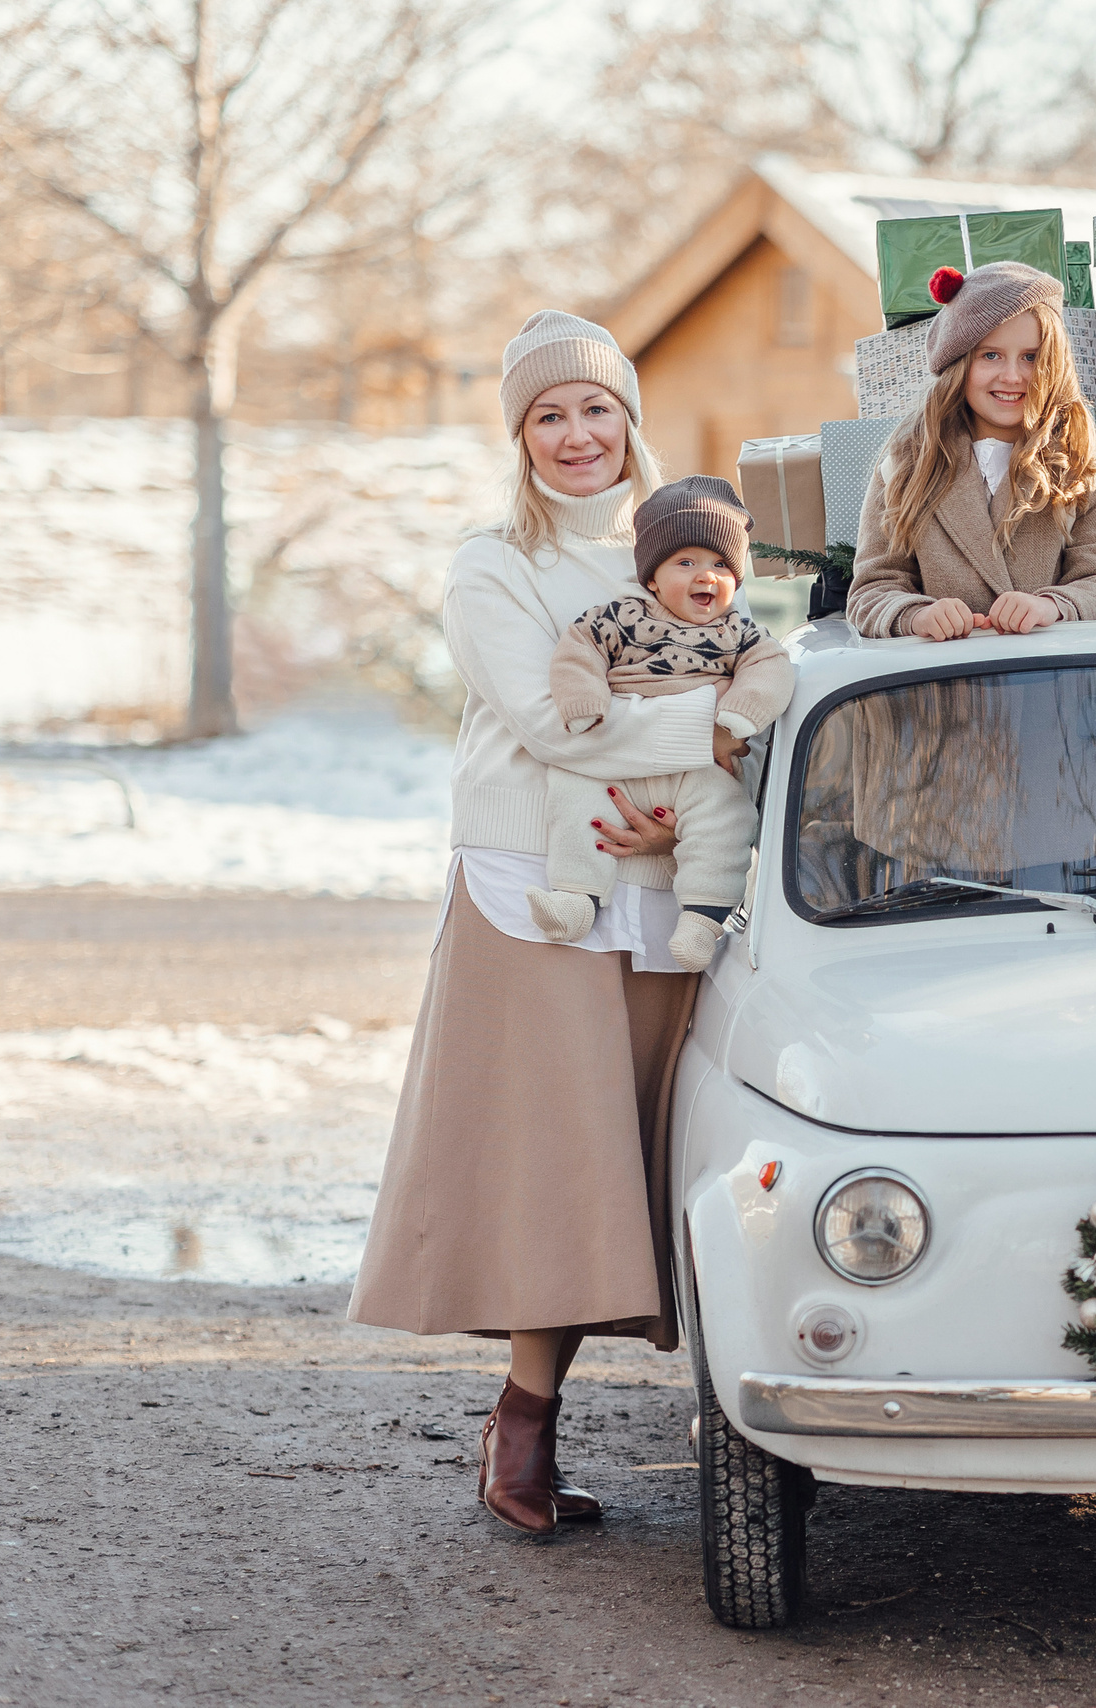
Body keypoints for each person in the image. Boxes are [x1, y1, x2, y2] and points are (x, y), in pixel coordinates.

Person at [349, 309, 719, 1536]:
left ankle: (747, 1404)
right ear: (520, 436)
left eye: (595, 409)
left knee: (666, 1147)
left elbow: (745, 697)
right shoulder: (489, 565)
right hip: (532, 886)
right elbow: (556, 721)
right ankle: (522, 1416)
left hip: (661, 877)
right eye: (548, 415)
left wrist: (691, 816)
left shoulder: (683, 549)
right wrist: (692, 750)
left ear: (630, 419)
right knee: (556, 1161)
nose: (575, 435)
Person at [534, 475, 794, 971]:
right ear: (652, 576)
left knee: (725, 817)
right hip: (618, 754)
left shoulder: (738, 631)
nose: (706, 575)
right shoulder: (619, 617)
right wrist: (585, 699)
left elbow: (772, 667)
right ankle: (575, 896)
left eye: (721, 565)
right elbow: (578, 650)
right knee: (572, 797)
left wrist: (739, 715)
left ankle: (702, 918)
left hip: (699, 767)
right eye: (687, 562)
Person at [844, 262, 1096, 639]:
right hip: (943, 686)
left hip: (1053, 681)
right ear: (958, 363)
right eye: (990, 356)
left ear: (1053, 365)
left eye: (1030, 357)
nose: (1012, 376)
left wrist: (1050, 606)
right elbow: (872, 590)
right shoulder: (908, 462)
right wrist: (917, 615)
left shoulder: (1078, 459)